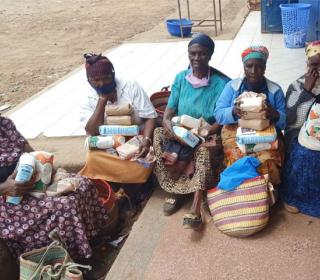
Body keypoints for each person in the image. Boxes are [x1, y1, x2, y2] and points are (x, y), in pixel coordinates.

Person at [0, 116, 116, 260]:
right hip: (7, 201)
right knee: (64, 206)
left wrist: (45, 167)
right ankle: (75, 260)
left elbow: (30, 152)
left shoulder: (4, 124)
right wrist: (4, 188)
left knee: (81, 184)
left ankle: (92, 240)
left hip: (29, 184)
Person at [153, 33, 230, 229]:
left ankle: (196, 204)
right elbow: (169, 111)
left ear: (210, 55)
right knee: (158, 135)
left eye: (202, 54)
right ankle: (175, 190)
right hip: (180, 131)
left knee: (203, 150)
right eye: (192, 54)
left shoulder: (221, 84)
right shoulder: (180, 78)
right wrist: (168, 126)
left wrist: (201, 134)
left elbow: (220, 119)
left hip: (206, 131)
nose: (196, 59)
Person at [79, 54, 157, 184]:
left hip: (137, 139)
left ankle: (135, 187)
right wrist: (102, 101)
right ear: (89, 80)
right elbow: (92, 132)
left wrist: (147, 140)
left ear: (113, 74)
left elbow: (150, 117)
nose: (102, 83)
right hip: (109, 142)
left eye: (106, 78)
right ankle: (115, 185)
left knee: (142, 159)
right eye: (96, 80)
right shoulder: (88, 97)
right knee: (93, 158)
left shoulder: (131, 87)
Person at [214, 45, 286, 186]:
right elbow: (218, 113)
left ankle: (265, 196)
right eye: (249, 66)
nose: (254, 71)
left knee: (267, 160)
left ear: (265, 67)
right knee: (238, 156)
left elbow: (285, 122)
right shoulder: (232, 87)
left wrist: (275, 114)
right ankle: (242, 196)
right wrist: (233, 111)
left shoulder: (275, 90)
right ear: (244, 66)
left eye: (259, 66)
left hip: (266, 134)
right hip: (235, 132)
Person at [280, 41, 320, 217]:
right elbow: (290, 120)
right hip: (299, 134)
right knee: (308, 155)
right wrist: (307, 91)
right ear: (307, 64)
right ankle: (296, 197)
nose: (319, 68)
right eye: (315, 64)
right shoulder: (296, 86)